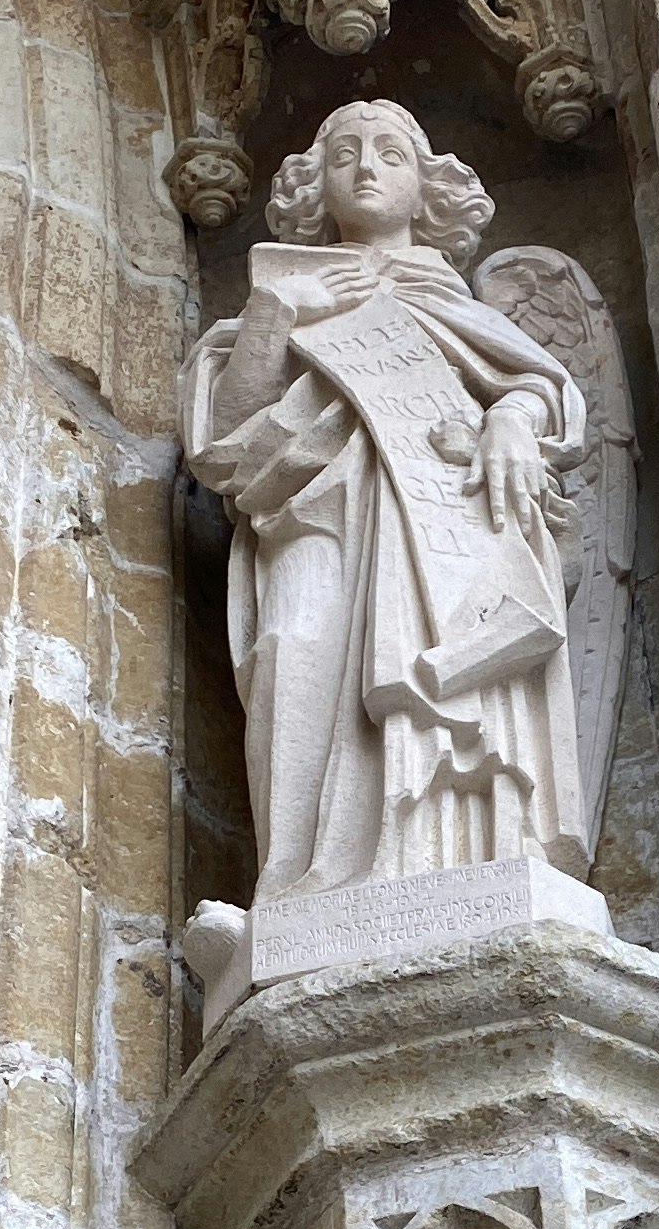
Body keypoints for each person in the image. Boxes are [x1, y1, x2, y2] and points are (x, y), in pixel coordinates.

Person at [182, 98, 588, 895]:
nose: (366, 168)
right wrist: (279, 313)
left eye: (390, 154)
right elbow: (223, 441)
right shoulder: (281, 297)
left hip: (439, 517)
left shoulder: (454, 304)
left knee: (444, 665)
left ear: (427, 186)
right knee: (292, 648)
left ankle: (460, 861)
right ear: (315, 186)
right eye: (344, 156)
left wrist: (511, 416)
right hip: (311, 509)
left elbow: (543, 389)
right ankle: (296, 881)